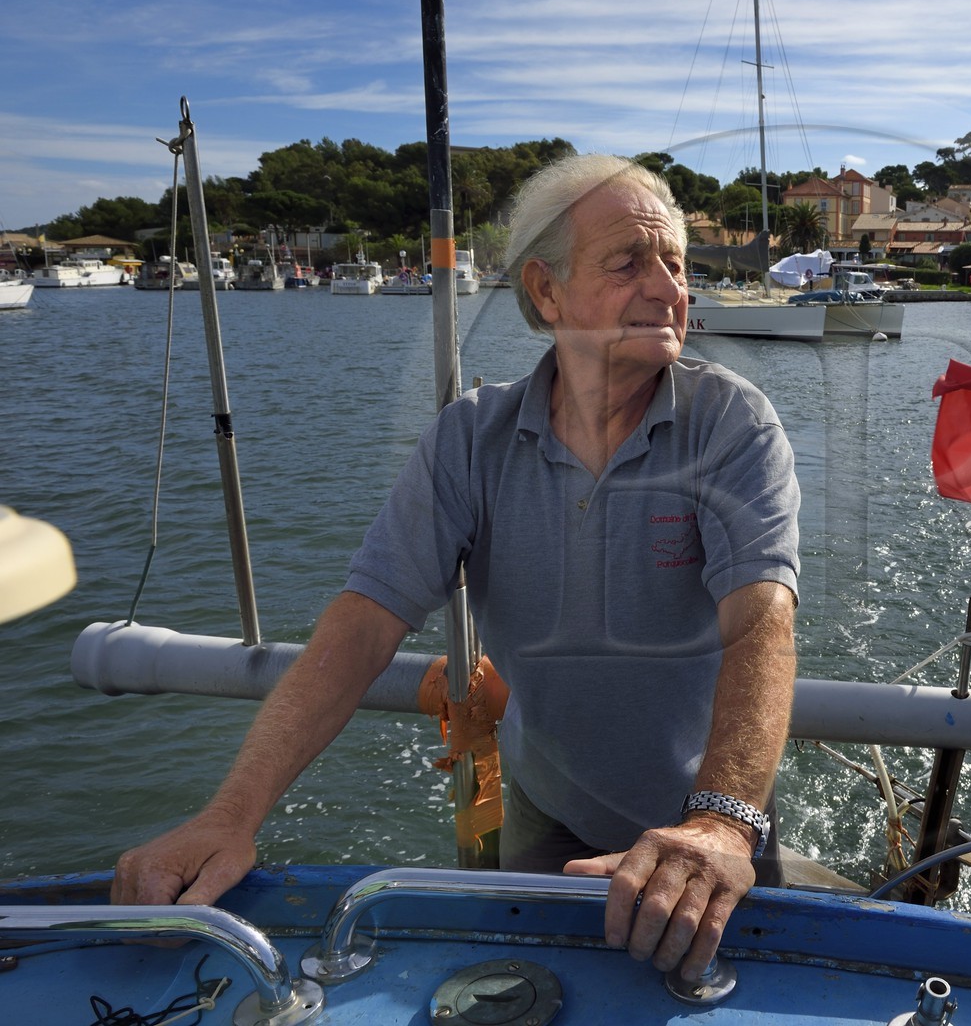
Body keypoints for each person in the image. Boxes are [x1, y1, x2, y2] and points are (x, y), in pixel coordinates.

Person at [111, 153, 802, 983]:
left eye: (677, 265)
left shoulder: (730, 422)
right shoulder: (472, 438)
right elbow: (363, 624)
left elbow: (762, 622)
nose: (667, 289)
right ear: (546, 291)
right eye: (629, 263)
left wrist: (721, 825)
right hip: (550, 814)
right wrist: (231, 815)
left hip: (707, 821)